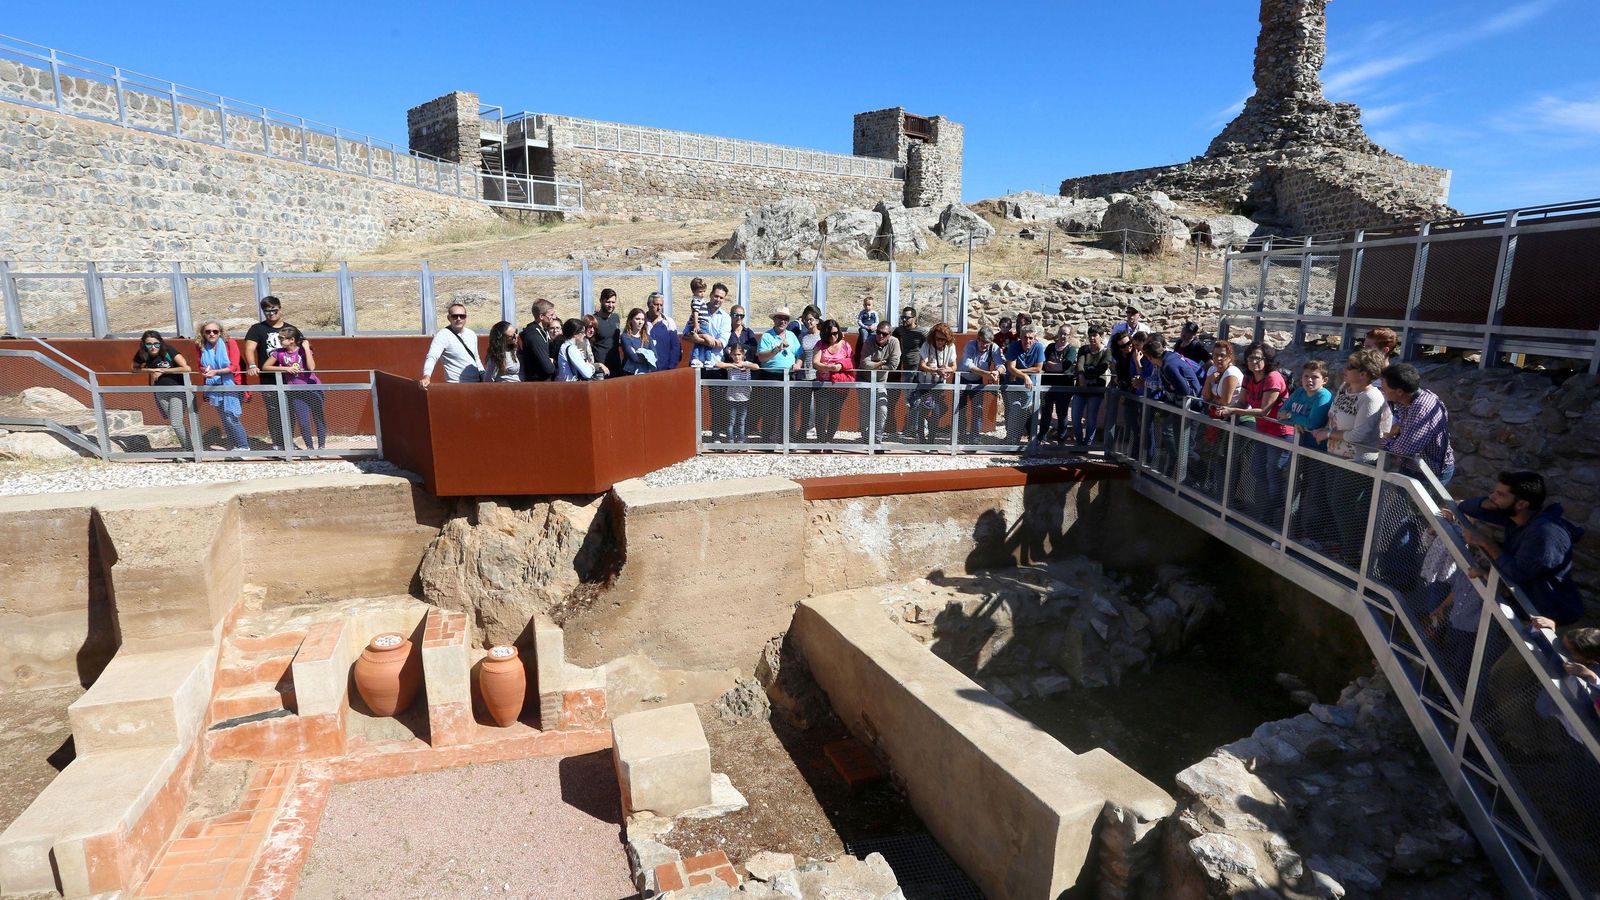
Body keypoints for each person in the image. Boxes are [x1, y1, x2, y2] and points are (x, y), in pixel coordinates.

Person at [1458, 472, 1586, 626]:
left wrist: (1486, 543)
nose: (1492, 496)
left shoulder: (1544, 532)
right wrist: (1493, 502)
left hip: (1551, 621)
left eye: (1500, 494)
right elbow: (1466, 507)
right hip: (1528, 613)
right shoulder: (1519, 517)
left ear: (1522, 504)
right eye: (1494, 492)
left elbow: (1518, 572)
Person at [1308, 349, 1392, 565]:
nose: (1344, 370)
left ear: (1364, 374)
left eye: (1350, 367)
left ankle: (1352, 554)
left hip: (1356, 460)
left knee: (1342, 504)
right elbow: (1335, 416)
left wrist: (1328, 434)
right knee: (1331, 501)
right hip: (1334, 455)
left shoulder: (1372, 397)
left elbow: (1359, 435)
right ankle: (1341, 546)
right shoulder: (1345, 388)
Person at [1215, 342, 1293, 526]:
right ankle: (1267, 509)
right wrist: (1228, 408)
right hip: (1262, 432)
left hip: (1280, 434)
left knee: (1273, 474)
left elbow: (1264, 410)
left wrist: (1233, 412)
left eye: (1258, 358)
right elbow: (1242, 403)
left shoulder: (1273, 377)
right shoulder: (1249, 378)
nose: (1254, 361)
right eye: (1251, 357)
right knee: (1258, 470)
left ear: (1267, 360)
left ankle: (1273, 515)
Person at [1381, 362, 1455, 484]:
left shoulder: (1421, 408)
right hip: (1415, 468)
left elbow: (1403, 449)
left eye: (1385, 388)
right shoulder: (1407, 400)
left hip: (1429, 473)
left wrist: (1381, 441)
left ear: (1399, 391)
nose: (1383, 391)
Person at [243, 295, 300, 450]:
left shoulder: (290, 329)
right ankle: (277, 444)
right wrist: (253, 364)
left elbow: (301, 347)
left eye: (274, 310)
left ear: (280, 310)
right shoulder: (257, 329)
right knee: (274, 411)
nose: (271, 313)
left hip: (290, 378)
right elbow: (249, 348)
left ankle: (288, 442)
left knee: (289, 411)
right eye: (267, 311)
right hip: (269, 377)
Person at [1144, 334, 1203, 479]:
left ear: (1150, 357)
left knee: (1186, 448)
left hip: (1190, 408)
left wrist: (1171, 389)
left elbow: (1183, 390)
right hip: (1180, 406)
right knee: (1179, 445)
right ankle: (1186, 479)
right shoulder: (1168, 359)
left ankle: (1204, 476)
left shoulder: (1169, 365)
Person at [262, 326, 325, 451]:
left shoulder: (303, 351)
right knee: (303, 422)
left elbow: (311, 367)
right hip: (295, 391)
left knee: (318, 417)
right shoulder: (279, 353)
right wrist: (285, 368)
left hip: (313, 389)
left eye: (281, 338)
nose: (279, 340)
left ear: (291, 340)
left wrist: (306, 348)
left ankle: (322, 446)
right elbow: (265, 367)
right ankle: (310, 448)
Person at [132, 329, 193, 452]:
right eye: (149, 344)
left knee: (176, 423)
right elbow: (134, 368)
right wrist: (151, 370)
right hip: (160, 391)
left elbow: (186, 368)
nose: (153, 347)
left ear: (160, 342)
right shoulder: (143, 354)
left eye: (156, 343)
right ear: (144, 344)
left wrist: (164, 371)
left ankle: (189, 450)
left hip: (177, 390)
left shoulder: (169, 350)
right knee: (175, 421)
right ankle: (190, 447)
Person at [196, 321, 249, 452]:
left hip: (230, 384)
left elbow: (234, 366)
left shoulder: (229, 343)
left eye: (215, 331)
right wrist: (205, 370)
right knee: (224, 418)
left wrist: (216, 372)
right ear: (203, 333)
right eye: (208, 331)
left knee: (231, 417)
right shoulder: (201, 346)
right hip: (214, 386)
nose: (212, 334)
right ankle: (233, 445)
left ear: (220, 332)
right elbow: (200, 365)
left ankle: (243, 446)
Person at [755, 307, 800, 443]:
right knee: (771, 409)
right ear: (774, 320)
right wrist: (776, 349)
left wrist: (798, 363)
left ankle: (789, 438)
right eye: (779, 318)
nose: (782, 321)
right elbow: (761, 357)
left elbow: (800, 354)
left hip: (789, 376)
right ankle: (769, 439)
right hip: (771, 376)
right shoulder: (767, 336)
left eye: (785, 319)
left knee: (790, 409)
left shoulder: (792, 336)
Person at [912, 322, 957, 442]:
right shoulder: (927, 345)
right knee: (926, 410)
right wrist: (935, 370)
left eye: (943, 339)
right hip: (925, 384)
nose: (940, 342)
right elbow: (922, 364)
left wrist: (948, 370)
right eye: (937, 339)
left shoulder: (951, 347)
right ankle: (923, 440)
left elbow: (954, 366)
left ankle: (930, 440)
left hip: (939, 385)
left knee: (936, 411)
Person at [813, 319, 855, 443]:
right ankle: (821, 441)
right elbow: (815, 363)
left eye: (836, 333)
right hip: (822, 384)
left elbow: (852, 362)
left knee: (835, 414)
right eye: (830, 334)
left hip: (839, 385)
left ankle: (829, 440)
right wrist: (828, 368)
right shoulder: (820, 344)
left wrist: (840, 365)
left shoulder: (846, 345)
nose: (833, 336)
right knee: (821, 414)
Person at [958, 327, 1004, 441]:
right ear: (978, 339)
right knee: (961, 408)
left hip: (977, 380)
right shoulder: (970, 345)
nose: (984, 345)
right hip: (962, 378)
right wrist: (986, 374)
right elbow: (968, 364)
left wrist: (997, 372)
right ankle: (961, 435)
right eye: (983, 341)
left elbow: (1002, 365)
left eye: (987, 343)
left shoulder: (994, 348)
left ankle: (975, 437)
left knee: (978, 408)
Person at [420, 303, 482, 387]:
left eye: (462, 316)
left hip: (477, 384)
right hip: (457, 386)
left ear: (466, 317)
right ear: (449, 318)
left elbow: (476, 358)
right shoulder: (443, 335)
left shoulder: (471, 334)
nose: (459, 319)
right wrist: (426, 376)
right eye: (455, 316)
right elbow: (432, 357)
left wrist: (484, 375)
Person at [1003, 324, 1046, 442]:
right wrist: (1025, 375)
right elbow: (1010, 367)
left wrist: (1019, 372)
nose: (1028, 340)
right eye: (1025, 337)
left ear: (1034, 338)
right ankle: (1011, 438)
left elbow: (1038, 368)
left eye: (1031, 338)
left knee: (1023, 410)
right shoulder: (1014, 346)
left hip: (1029, 385)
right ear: (1020, 337)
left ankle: (1015, 436)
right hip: (1013, 383)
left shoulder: (1038, 347)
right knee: (1014, 408)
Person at [859, 320, 901, 440]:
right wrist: (883, 362)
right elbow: (864, 364)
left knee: (882, 408)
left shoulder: (894, 342)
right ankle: (865, 437)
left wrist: (875, 364)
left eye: (884, 333)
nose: (880, 336)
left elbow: (893, 365)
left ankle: (877, 437)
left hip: (880, 381)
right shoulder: (869, 341)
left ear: (890, 334)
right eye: (878, 332)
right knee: (865, 408)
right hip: (865, 379)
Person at [1278, 361, 1334, 451]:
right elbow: (1280, 414)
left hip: (1316, 448)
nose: (1309, 380)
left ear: (1325, 380)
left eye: (1314, 377)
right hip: (1297, 444)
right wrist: (1296, 423)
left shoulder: (1324, 396)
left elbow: (1313, 423)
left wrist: (1290, 415)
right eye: (1306, 376)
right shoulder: (1299, 391)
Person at [1071, 326, 1111, 446]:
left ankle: (1087, 444)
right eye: (1090, 335)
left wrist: (1085, 376)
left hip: (1096, 389)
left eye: (1095, 335)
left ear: (1101, 336)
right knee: (1075, 417)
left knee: (1091, 418)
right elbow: (1080, 364)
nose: (1092, 338)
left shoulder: (1106, 351)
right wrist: (1081, 376)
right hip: (1081, 388)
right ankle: (1079, 443)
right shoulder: (1084, 349)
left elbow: (1102, 368)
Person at [1040, 323, 1078, 444]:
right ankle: (1042, 436)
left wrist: (1054, 366)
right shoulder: (1051, 347)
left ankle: (1061, 438)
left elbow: (1066, 366)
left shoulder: (1071, 349)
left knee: (1062, 413)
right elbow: (1044, 363)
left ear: (1070, 336)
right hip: (1047, 385)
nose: (1062, 336)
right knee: (1046, 412)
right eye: (1061, 333)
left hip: (1064, 386)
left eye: (1065, 334)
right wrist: (1057, 366)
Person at [714, 343, 759, 443]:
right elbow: (717, 364)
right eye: (735, 355)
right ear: (731, 355)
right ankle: (730, 441)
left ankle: (740, 441)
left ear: (743, 354)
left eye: (739, 354)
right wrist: (732, 365)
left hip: (745, 397)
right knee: (731, 421)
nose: (737, 357)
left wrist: (744, 365)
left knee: (741, 421)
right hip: (732, 397)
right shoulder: (730, 365)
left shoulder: (746, 364)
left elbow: (756, 367)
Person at [892, 306, 926, 437]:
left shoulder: (922, 332)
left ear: (914, 318)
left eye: (907, 317)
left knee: (915, 399)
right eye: (902, 317)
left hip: (917, 369)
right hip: (906, 368)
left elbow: (932, 343)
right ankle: (914, 428)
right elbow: (893, 336)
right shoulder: (901, 330)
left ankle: (916, 429)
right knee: (910, 398)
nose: (904, 320)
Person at [519, 299, 559, 382]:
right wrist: (554, 362)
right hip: (538, 385)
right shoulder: (534, 336)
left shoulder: (542, 331)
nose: (554, 317)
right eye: (551, 315)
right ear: (541, 316)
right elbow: (548, 368)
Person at [645, 292, 680, 370]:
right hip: (644, 371)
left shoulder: (669, 322)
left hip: (664, 370)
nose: (659, 308)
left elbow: (675, 347)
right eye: (656, 304)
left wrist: (671, 367)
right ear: (649, 305)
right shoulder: (641, 321)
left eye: (661, 305)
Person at [592, 288, 623, 374]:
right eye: (608, 302)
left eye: (613, 302)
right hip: (601, 367)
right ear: (601, 301)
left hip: (616, 363)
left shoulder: (616, 318)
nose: (610, 305)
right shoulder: (594, 320)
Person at [619, 307, 658, 375]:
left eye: (642, 319)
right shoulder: (625, 337)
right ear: (630, 320)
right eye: (637, 319)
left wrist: (637, 352)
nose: (640, 322)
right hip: (629, 375)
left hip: (645, 374)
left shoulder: (648, 338)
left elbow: (655, 356)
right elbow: (634, 357)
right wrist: (648, 355)